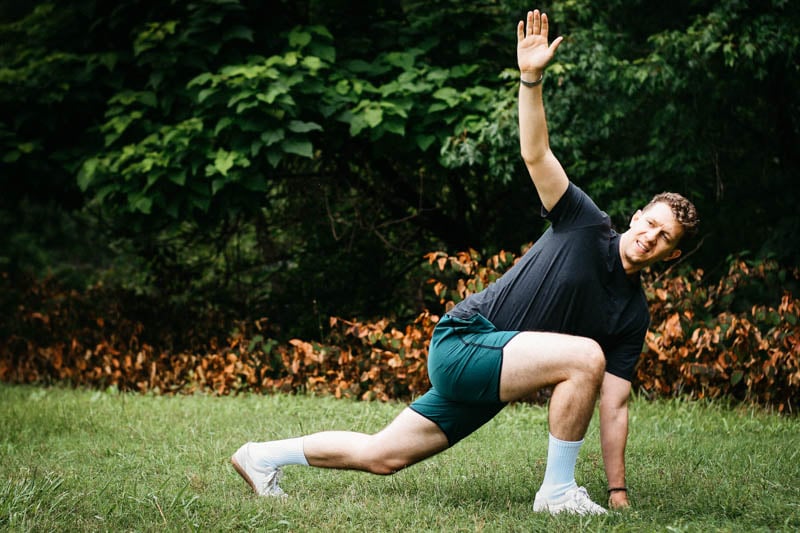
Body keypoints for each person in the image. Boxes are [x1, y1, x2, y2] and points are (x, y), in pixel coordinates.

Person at [231, 8, 698, 515]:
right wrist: (531, 79)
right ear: (634, 217)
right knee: (585, 355)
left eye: (664, 237)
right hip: (465, 341)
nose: (650, 237)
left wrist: (618, 493)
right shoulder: (585, 224)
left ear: (671, 255)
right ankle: (557, 493)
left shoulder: (632, 313)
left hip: (493, 374)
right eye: (649, 223)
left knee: (382, 455)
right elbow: (537, 154)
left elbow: (614, 404)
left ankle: (259, 456)